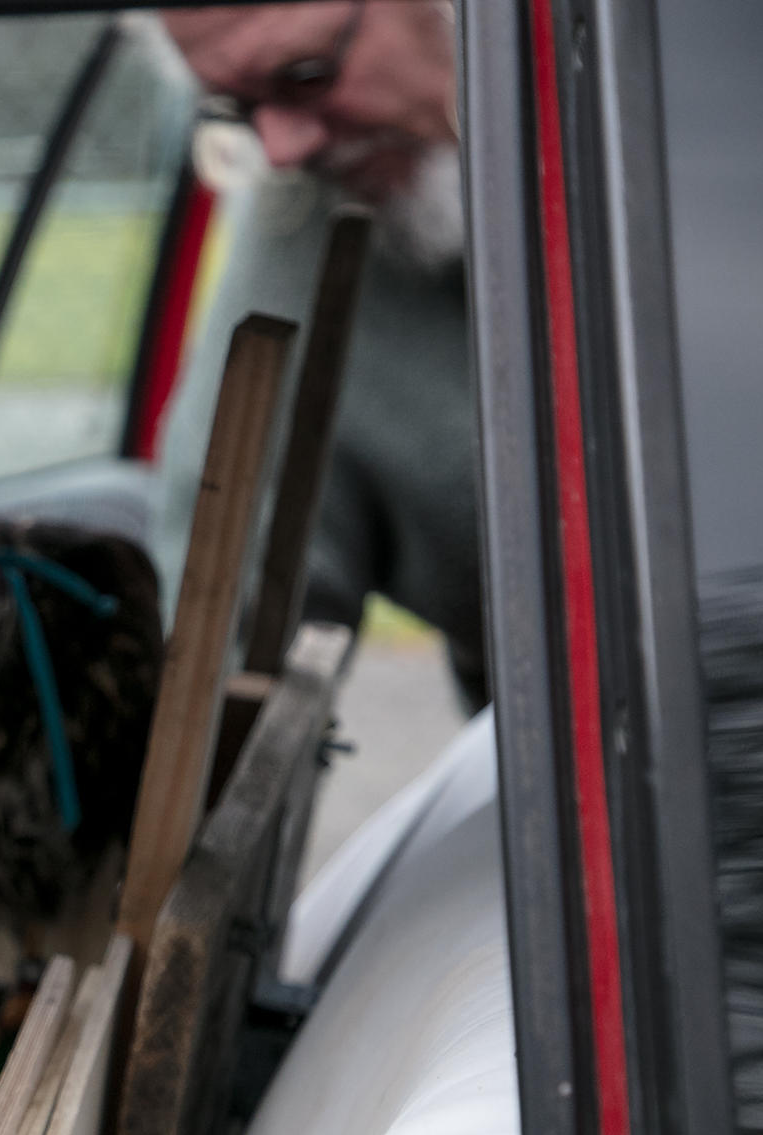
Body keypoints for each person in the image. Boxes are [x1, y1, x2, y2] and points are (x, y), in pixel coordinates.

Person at [147, 0, 485, 709]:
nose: (281, 149)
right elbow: (217, 621)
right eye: (237, 109)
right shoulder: (304, 238)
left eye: (306, 74)